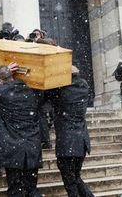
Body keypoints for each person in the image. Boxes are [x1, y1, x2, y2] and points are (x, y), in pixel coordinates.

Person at [0, 63, 42, 197]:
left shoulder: (2, 93)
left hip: (13, 147)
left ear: (0, 81)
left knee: (15, 189)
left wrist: (4, 72)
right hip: (32, 145)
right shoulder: (31, 91)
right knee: (32, 188)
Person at [47, 66, 94, 197]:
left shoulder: (61, 90)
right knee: (76, 177)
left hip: (68, 142)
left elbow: (46, 96)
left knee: (70, 181)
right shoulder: (83, 86)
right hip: (81, 141)